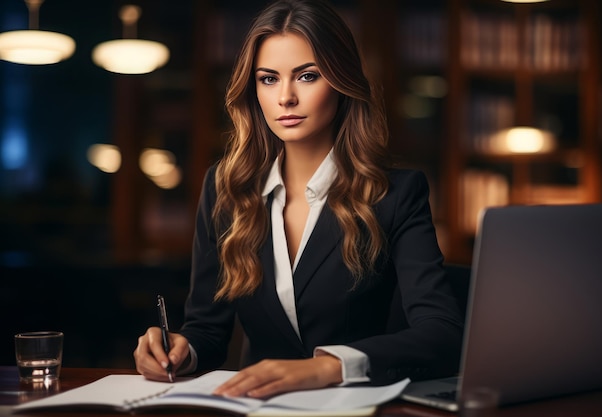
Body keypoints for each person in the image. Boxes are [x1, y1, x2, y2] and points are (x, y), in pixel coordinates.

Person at [134, 0, 463, 399]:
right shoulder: (226, 188)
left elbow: (442, 335)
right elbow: (207, 330)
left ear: (341, 82)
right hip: (255, 408)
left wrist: (329, 367)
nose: (285, 97)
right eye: (268, 79)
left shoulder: (396, 194)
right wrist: (181, 351)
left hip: (357, 407)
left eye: (307, 76)